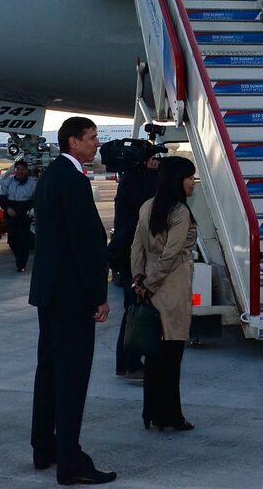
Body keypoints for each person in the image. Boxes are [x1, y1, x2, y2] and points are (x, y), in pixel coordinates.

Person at [29, 117, 115, 486]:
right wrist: (99, 294)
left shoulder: (50, 176)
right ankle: (70, 461)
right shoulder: (74, 179)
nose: (97, 143)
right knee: (71, 377)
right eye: (92, 138)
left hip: (49, 293)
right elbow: (86, 243)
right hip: (72, 295)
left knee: (48, 372)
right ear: (73, 142)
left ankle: (44, 448)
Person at [131, 156, 199, 431]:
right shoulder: (180, 212)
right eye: (189, 177)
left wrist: (139, 279)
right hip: (171, 287)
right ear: (176, 180)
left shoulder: (148, 206)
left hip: (149, 285)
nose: (192, 183)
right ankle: (170, 415)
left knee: (154, 357)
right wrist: (153, 282)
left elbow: (136, 245)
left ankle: (150, 411)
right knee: (172, 357)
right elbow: (171, 254)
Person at [111, 152, 160, 381]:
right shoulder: (134, 179)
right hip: (131, 253)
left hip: (127, 251)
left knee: (133, 309)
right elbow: (144, 204)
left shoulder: (130, 178)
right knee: (135, 310)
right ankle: (131, 364)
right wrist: (151, 176)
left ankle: (126, 363)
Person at [0, 160, 37, 271]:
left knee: (24, 239)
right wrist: (7, 209)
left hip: (25, 212)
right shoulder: (7, 182)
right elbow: (2, 198)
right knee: (12, 239)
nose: (19, 171)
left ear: (26, 171)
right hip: (10, 211)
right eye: (17, 169)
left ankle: (21, 263)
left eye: (22, 169)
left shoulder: (33, 183)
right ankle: (19, 257)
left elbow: (36, 199)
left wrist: (31, 210)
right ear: (14, 170)